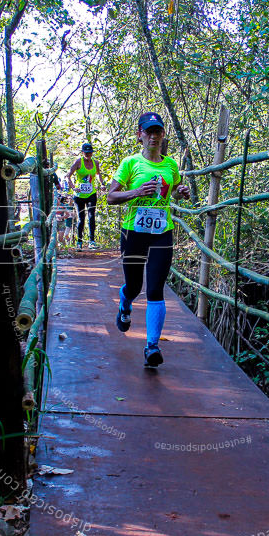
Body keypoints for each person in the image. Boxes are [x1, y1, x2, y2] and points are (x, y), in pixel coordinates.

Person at [106, 113, 191, 367]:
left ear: (163, 135)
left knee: (155, 288)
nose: (153, 136)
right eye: (149, 132)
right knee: (134, 286)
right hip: (134, 233)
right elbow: (110, 196)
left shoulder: (171, 165)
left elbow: (174, 189)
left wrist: (181, 192)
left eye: (158, 132)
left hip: (161, 233)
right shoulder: (130, 163)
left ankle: (152, 346)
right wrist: (135, 192)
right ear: (140, 135)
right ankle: (125, 303)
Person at [66, 142, 106, 251]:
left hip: (91, 194)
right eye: (86, 152)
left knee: (92, 216)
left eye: (90, 152)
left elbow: (98, 174)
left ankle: (91, 241)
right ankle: (79, 242)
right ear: (82, 152)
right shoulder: (78, 162)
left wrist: (102, 184)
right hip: (79, 195)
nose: (88, 154)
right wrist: (73, 187)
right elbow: (68, 176)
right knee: (81, 218)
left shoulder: (95, 162)